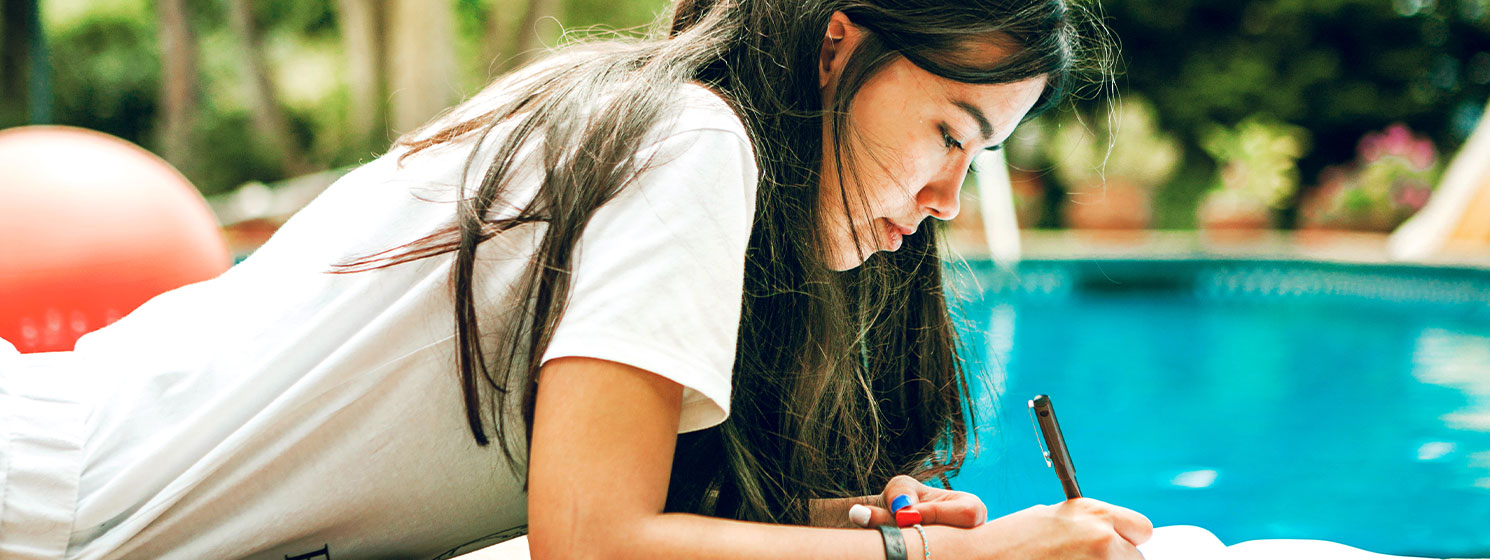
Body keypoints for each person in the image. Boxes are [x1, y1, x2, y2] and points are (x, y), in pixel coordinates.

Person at [0, 0, 1157, 558]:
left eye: (980, 155)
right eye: (949, 132)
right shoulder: (686, 140)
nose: (949, 197)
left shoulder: (681, 141)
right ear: (840, 41)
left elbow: (605, 507)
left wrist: (838, 525)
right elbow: (593, 542)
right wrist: (944, 552)